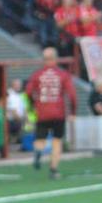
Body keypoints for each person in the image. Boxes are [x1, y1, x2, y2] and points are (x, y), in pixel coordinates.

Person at [26, 47, 77, 180]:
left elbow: (28, 92)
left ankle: (38, 153)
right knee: (57, 141)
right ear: (56, 58)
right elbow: (72, 95)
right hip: (58, 112)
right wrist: (73, 111)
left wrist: (33, 105)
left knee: (40, 138)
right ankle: (53, 170)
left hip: (42, 111)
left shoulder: (37, 74)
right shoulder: (63, 74)